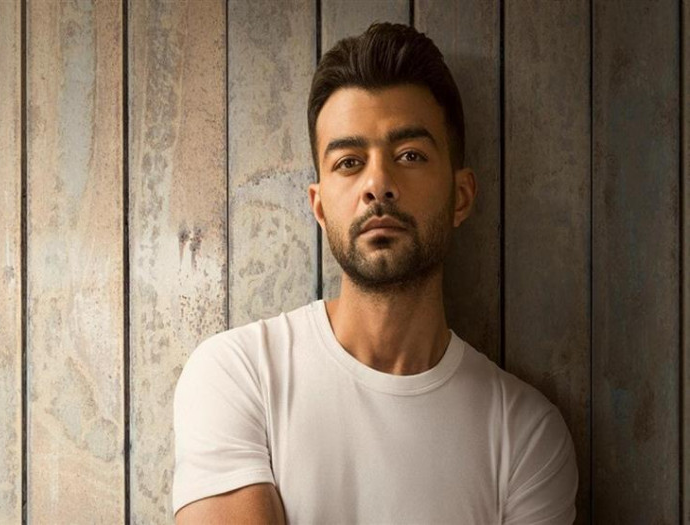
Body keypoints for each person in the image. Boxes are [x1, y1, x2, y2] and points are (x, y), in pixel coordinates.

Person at [173, 22, 578, 524]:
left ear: (461, 197)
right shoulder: (238, 375)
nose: (378, 184)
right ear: (319, 207)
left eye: (409, 156)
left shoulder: (527, 436)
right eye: (349, 162)